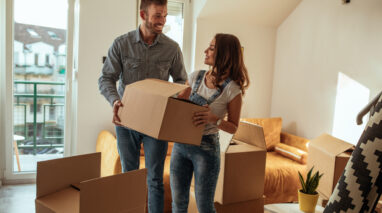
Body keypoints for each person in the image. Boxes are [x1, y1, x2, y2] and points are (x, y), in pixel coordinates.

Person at [98, 0, 187, 212]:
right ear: (143, 15)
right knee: (130, 175)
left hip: (156, 124)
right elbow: (106, 79)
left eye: (165, 15)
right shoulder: (121, 44)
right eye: (158, 15)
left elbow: (182, 81)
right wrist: (114, 100)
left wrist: (175, 101)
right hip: (126, 120)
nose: (163, 21)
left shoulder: (172, 48)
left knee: (154, 179)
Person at [170, 33, 250, 213]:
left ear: (225, 54)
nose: (206, 51)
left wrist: (215, 119)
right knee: (178, 204)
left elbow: (234, 127)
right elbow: (177, 105)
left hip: (206, 150)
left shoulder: (233, 89)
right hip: (181, 146)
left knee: (205, 207)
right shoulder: (194, 77)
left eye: (212, 48)